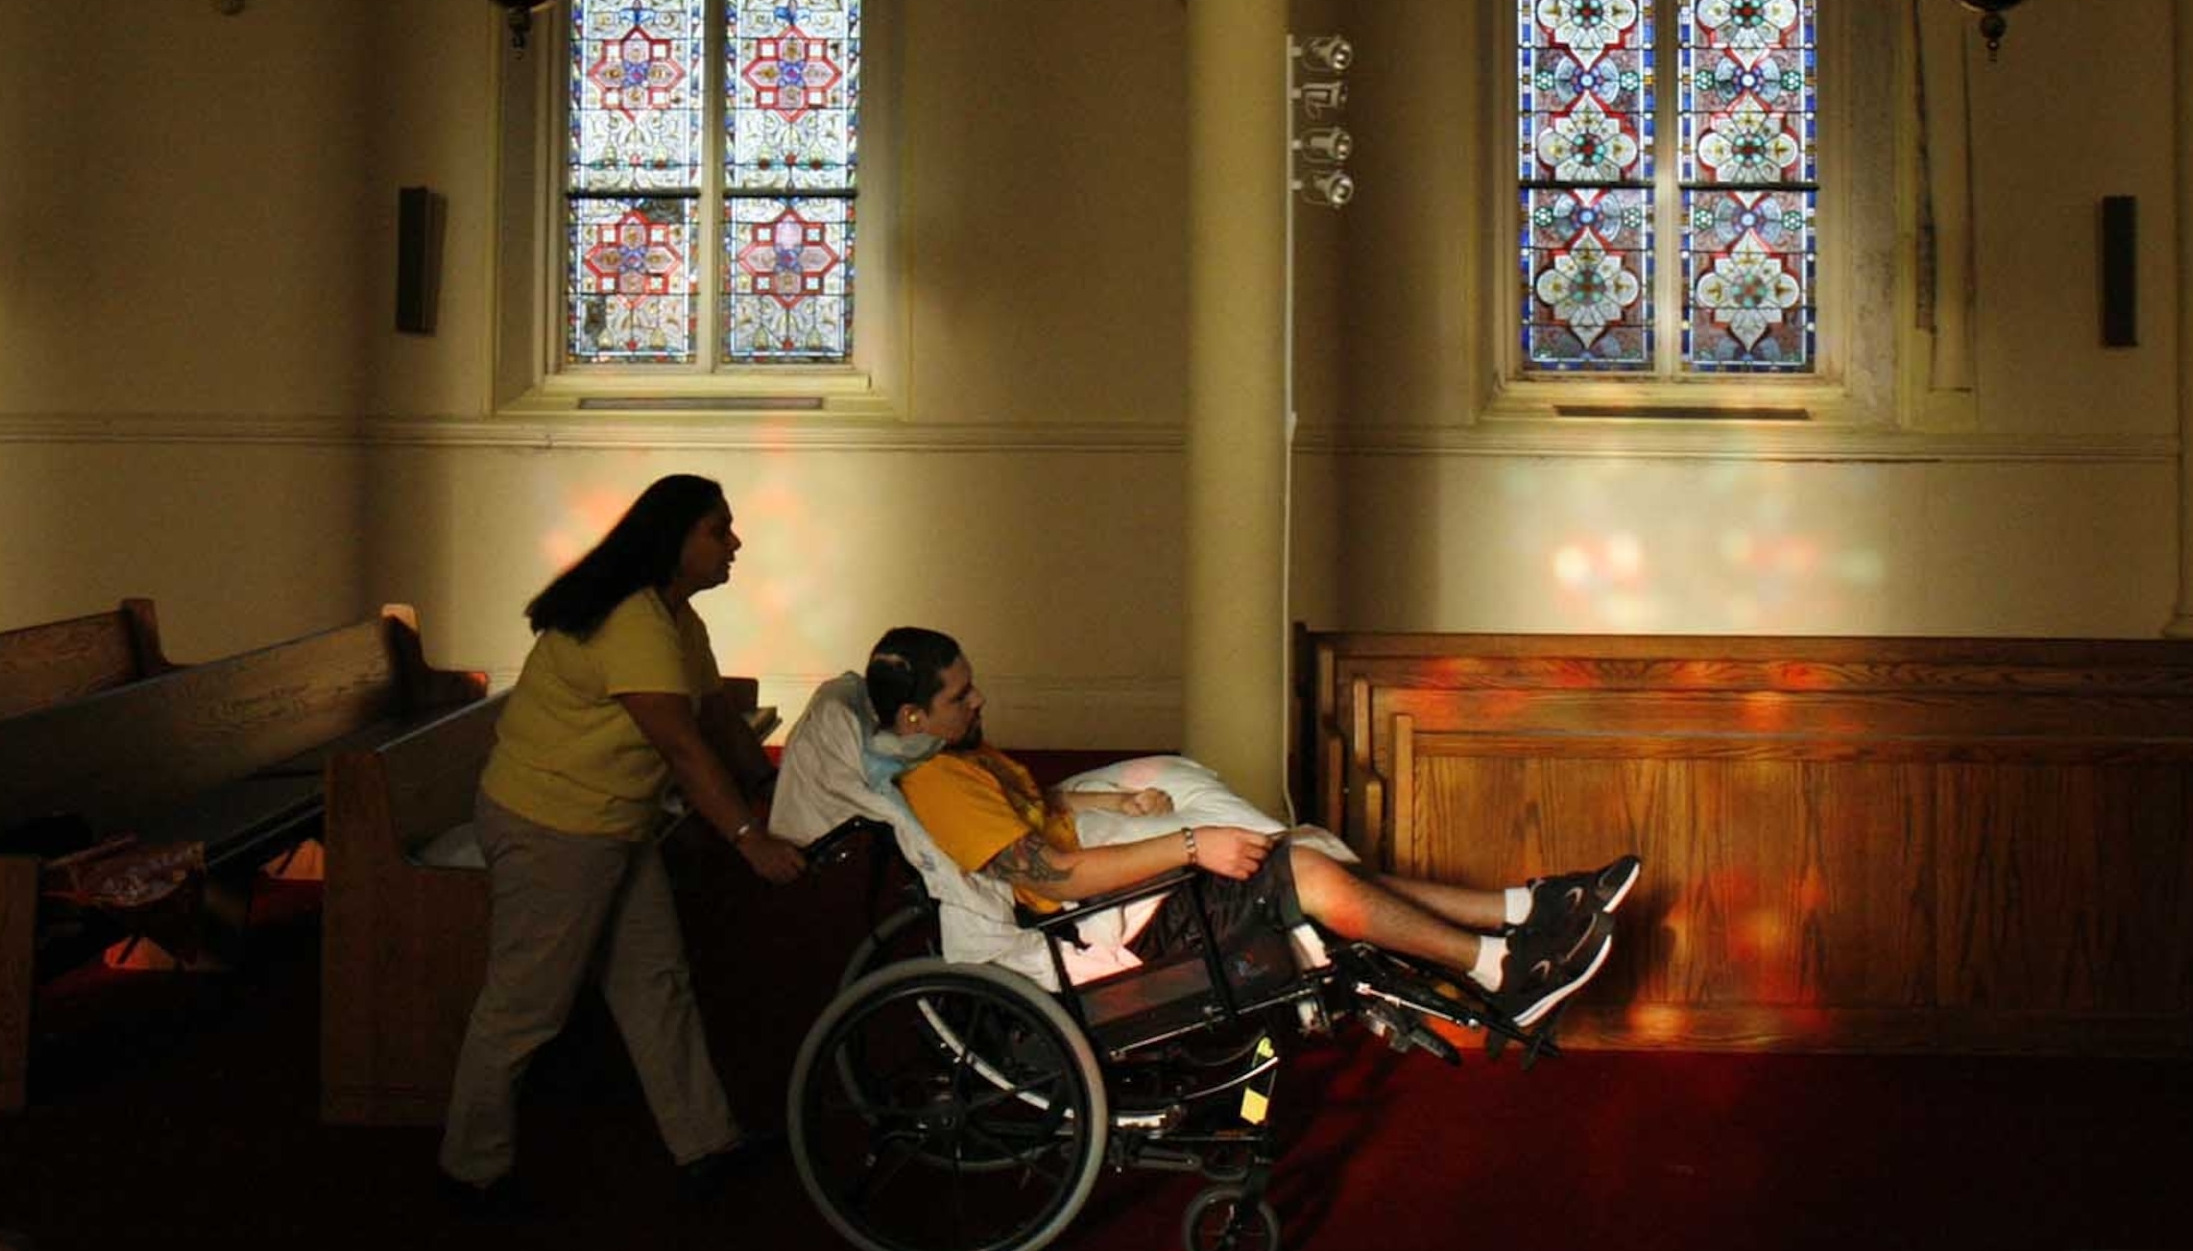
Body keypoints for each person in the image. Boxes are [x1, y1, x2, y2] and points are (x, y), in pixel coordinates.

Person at [862, 626, 1634, 1030]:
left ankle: (1519, 910)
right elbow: (1051, 878)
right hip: (1115, 927)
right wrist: (1193, 844)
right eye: (961, 696)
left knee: (1298, 851)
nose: (978, 700)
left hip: (1127, 891)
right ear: (912, 715)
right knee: (1306, 876)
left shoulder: (955, 753)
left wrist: (1108, 807)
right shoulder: (937, 778)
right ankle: (1500, 972)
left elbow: (1036, 819)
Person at [436, 475, 804, 1209]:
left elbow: (718, 721)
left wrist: (774, 794)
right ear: (674, 539)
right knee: (525, 1008)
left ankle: (706, 1143)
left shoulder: (673, 618)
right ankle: (470, 1169)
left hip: (612, 825)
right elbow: (680, 746)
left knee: (654, 981)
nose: (735, 544)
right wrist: (746, 838)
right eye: (718, 530)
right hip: (553, 828)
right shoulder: (631, 619)